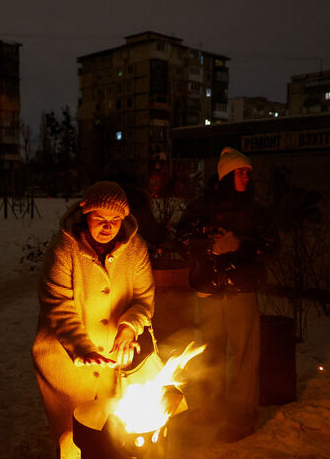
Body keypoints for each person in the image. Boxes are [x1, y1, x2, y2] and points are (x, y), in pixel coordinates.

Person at [32, 181, 155, 459]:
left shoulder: (135, 248)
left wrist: (129, 327)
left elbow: (144, 299)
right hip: (65, 359)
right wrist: (81, 347)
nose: (108, 227)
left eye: (114, 220)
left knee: (110, 429)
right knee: (71, 433)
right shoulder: (64, 250)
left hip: (113, 357)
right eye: (100, 219)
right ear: (86, 214)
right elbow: (57, 306)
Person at [176, 147, 276, 443]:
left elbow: (271, 246)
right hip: (208, 290)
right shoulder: (199, 208)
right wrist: (207, 246)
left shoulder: (257, 211)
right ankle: (209, 408)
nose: (247, 175)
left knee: (245, 354)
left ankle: (241, 417)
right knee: (210, 352)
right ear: (226, 175)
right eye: (241, 171)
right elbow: (181, 240)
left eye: (248, 172)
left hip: (242, 290)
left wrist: (239, 246)